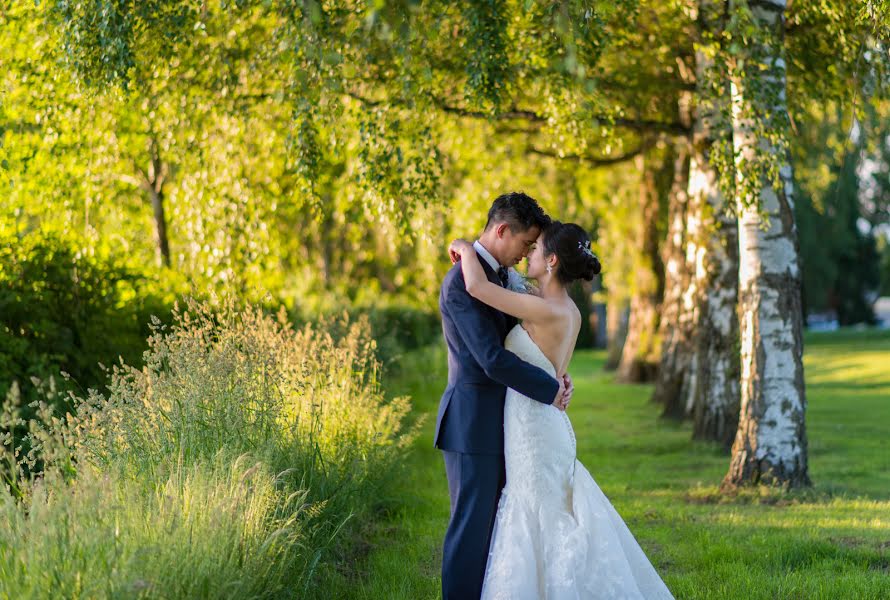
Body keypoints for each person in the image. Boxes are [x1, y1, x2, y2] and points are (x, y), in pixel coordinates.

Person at [449, 220, 675, 600]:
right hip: (542, 420)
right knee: (543, 510)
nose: (528, 255)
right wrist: (558, 379)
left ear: (551, 260)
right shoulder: (565, 308)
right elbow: (545, 358)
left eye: (535, 250)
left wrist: (465, 248)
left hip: (534, 426)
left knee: (537, 514)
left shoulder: (542, 309)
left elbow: (477, 287)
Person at [434, 192, 574, 600]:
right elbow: (492, 360)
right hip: (472, 424)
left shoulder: (496, 277)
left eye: (534, 247)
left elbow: (529, 337)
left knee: (497, 531)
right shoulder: (462, 281)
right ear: (501, 230)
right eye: (525, 244)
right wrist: (548, 389)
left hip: (506, 423)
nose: (527, 252)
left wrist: (555, 373)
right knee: (470, 533)